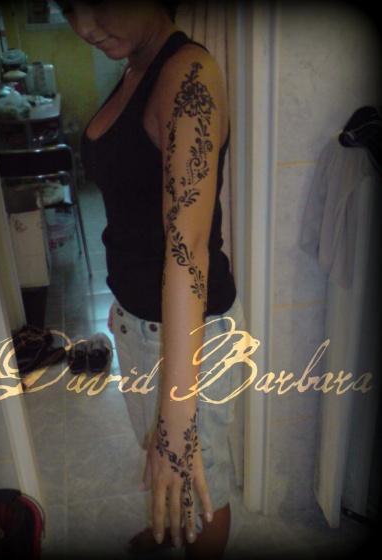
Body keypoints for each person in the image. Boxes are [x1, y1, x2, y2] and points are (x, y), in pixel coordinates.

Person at [58, 1, 245, 558]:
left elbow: (187, 253)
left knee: (198, 481)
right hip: (138, 323)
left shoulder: (188, 75)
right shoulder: (136, 69)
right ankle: (171, 526)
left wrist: (177, 421)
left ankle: (189, 528)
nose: (84, 26)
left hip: (188, 336)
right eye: (69, 8)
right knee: (163, 457)